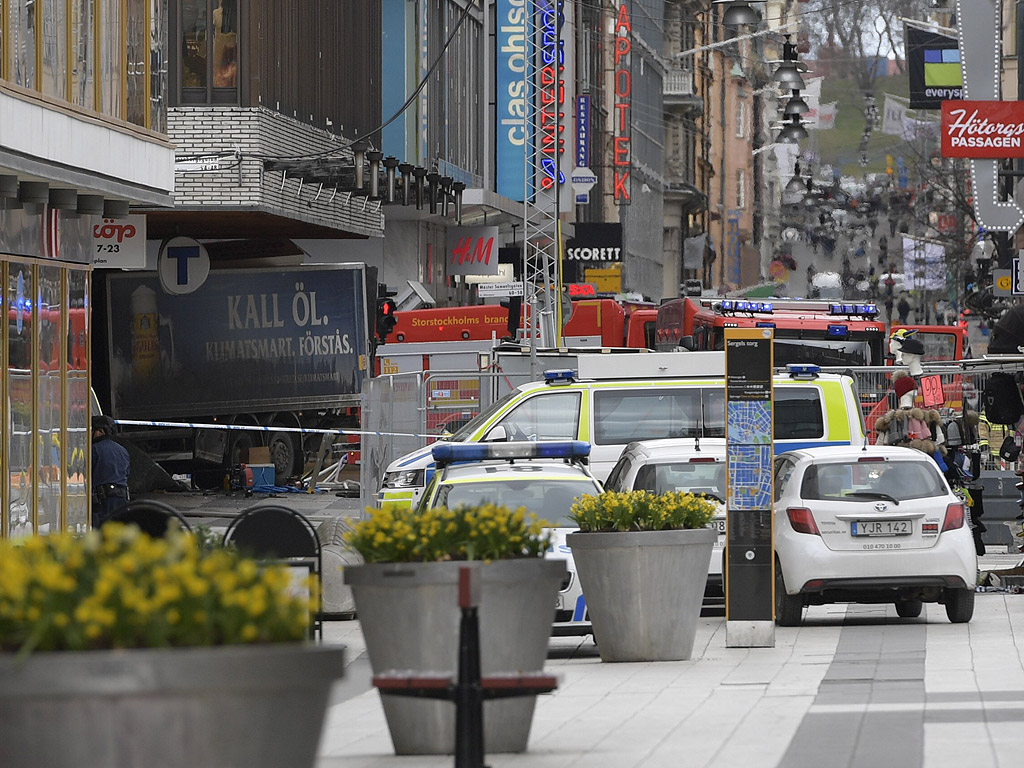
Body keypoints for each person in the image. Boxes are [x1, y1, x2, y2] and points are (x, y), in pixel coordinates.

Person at [92, 415, 130, 528]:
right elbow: (127, 473)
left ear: (100, 431)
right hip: (122, 499)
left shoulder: (94, 449)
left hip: (102, 502)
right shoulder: (123, 450)